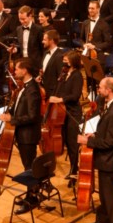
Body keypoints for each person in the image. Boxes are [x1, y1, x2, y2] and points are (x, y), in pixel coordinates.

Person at [79, 77, 113, 223]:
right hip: (106, 159)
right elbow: (107, 132)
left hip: (110, 160)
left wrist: (88, 141)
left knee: (111, 195)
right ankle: (104, 218)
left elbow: (109, 142)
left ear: (109, 90)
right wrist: (95, 134)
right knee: (105, 195)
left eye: (100, 87)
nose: (98, 90)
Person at [1, 58, 43, 214]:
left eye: (17, 69)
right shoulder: (24, 87)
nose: (15, 71)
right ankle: (31, 194)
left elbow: (32, 116)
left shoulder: (32, 90)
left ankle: (32, 198)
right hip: (23, 134)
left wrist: (12, 119)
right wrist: (9, 113)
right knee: (28, 166)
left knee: (29, 168)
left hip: (28, 136)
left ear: (25, 71)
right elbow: (20, 108)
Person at [49, 51, 84, 181]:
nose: (64, 62)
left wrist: (60, 99)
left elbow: (75, 96)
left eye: (66, 60)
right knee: (67, 143)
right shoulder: (64, 73)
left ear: (73, 61)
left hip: (72, 113)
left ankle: (75, 170)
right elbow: (59, 89)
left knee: (72, 143)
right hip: (62, 112)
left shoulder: (77, 76)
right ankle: (73, 169)